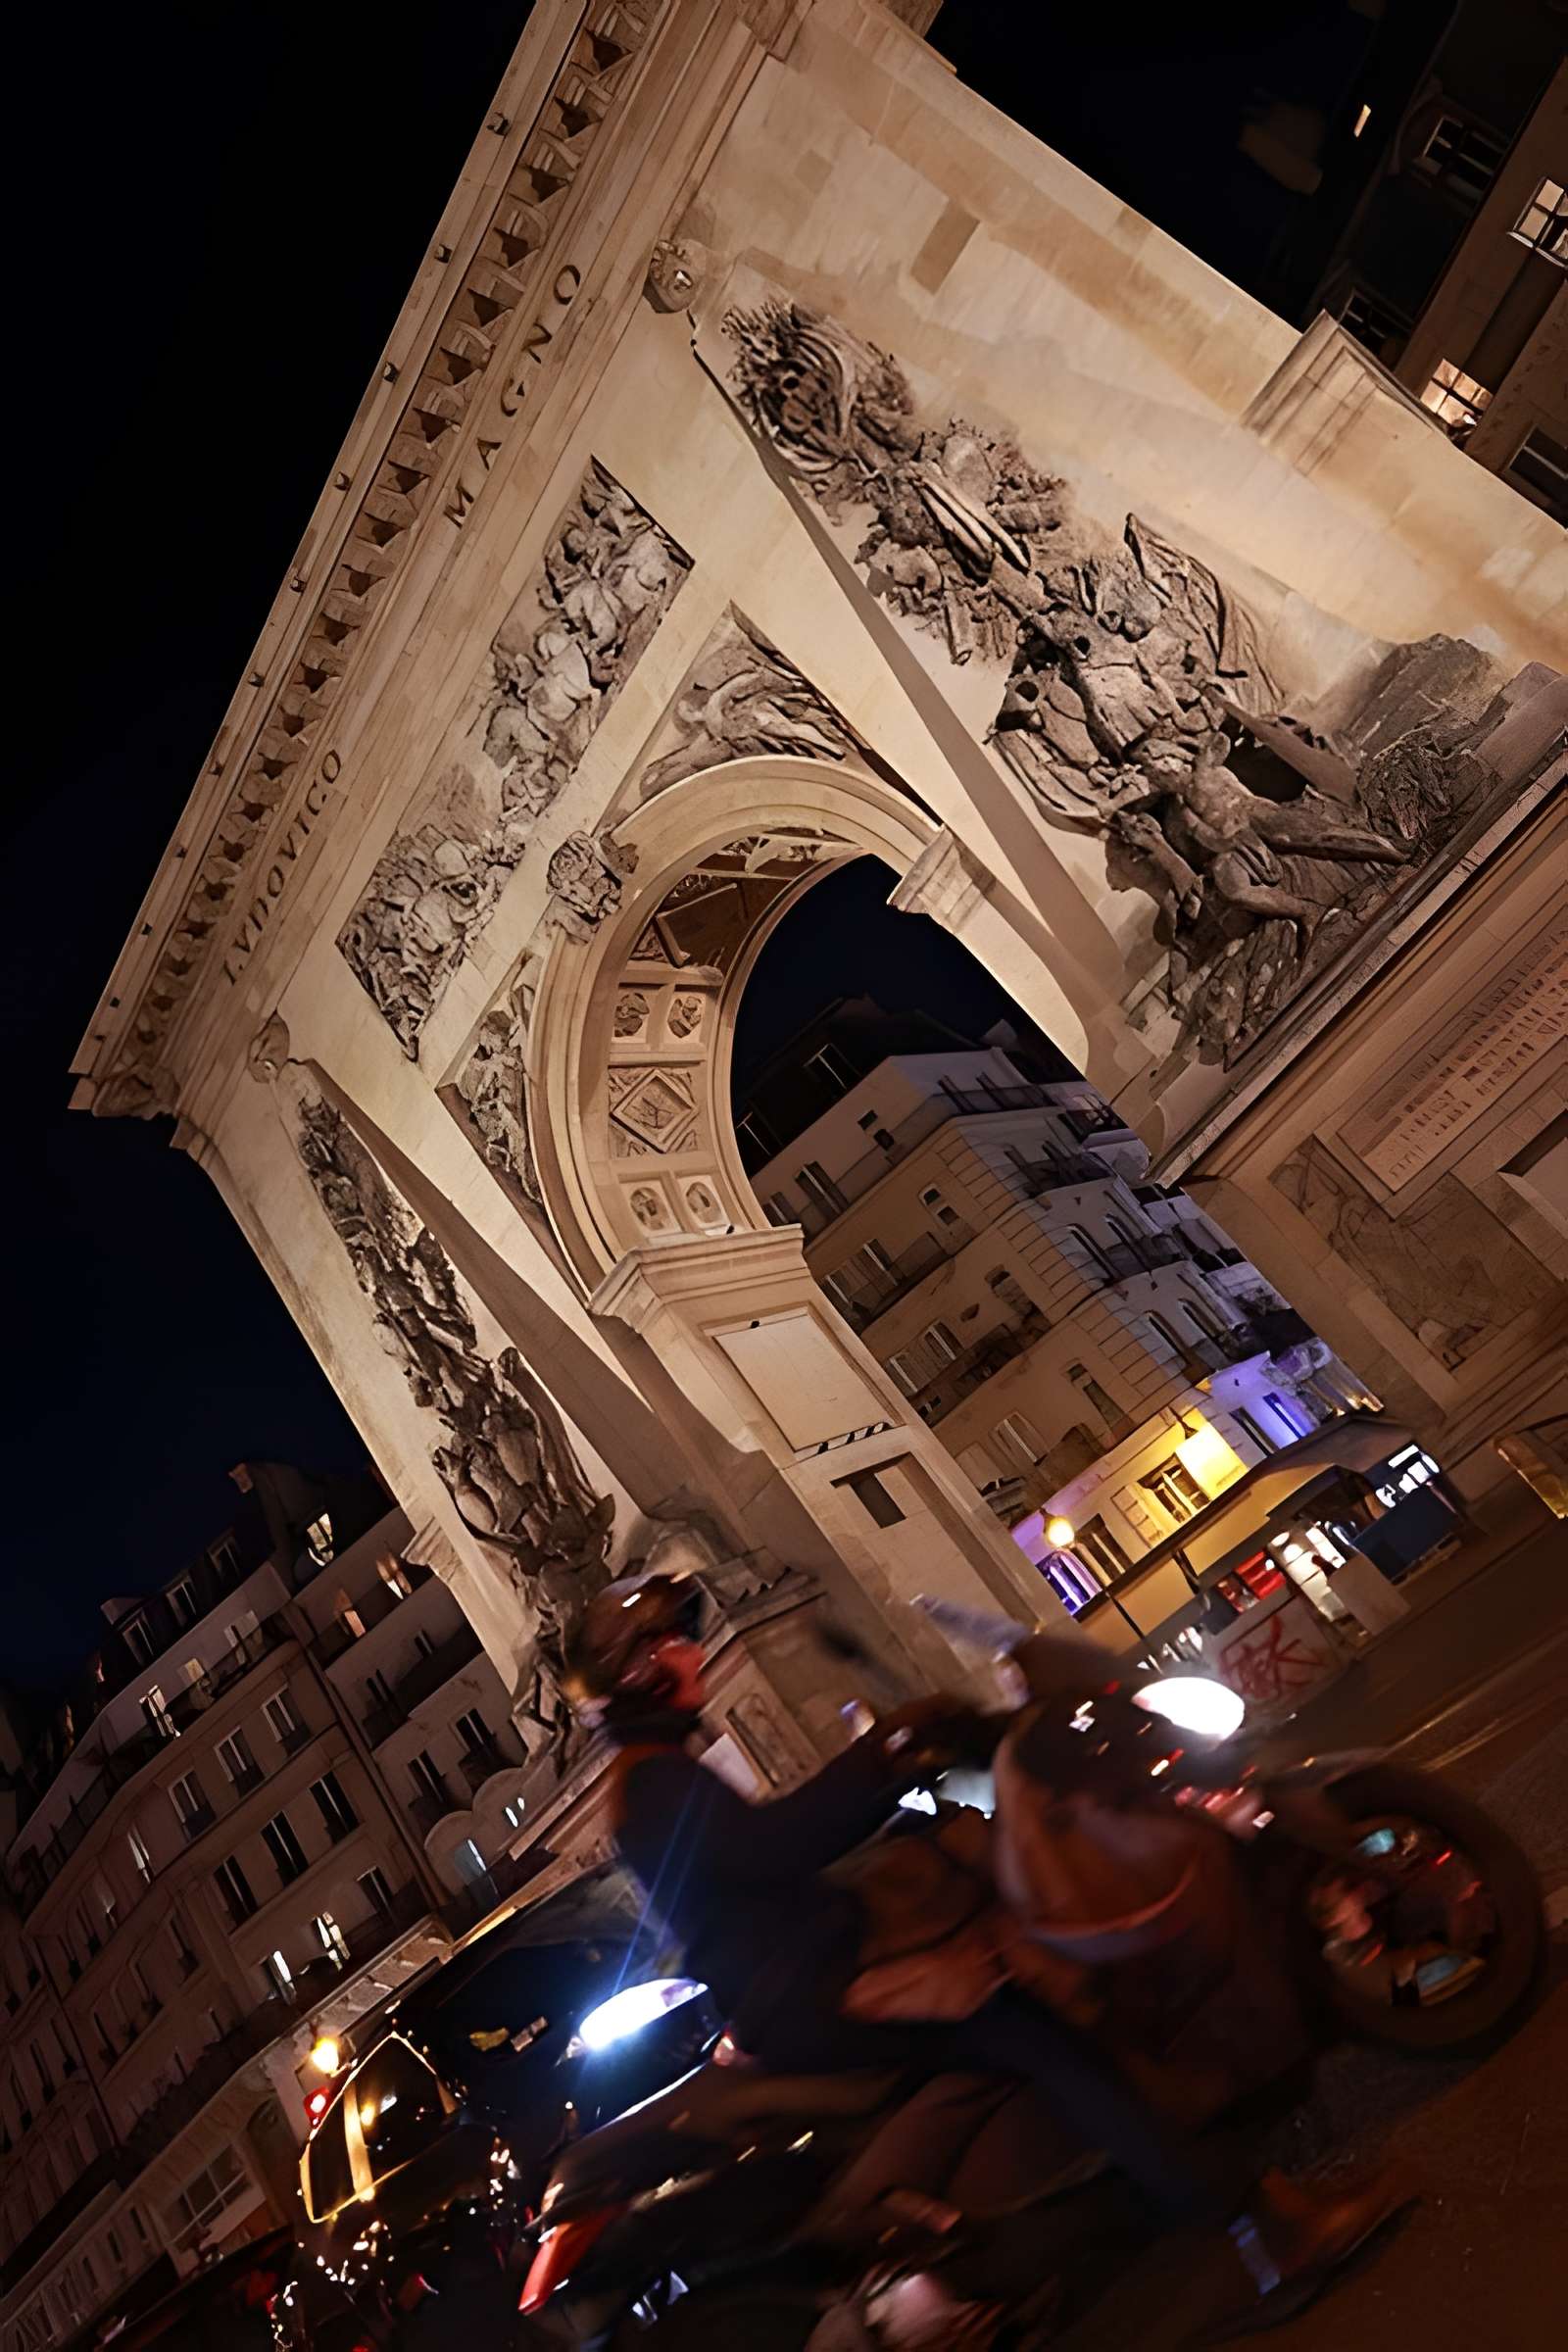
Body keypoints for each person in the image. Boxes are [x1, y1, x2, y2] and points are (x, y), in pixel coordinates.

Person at [566, 1574, 1410, 2329]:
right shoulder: (651, 1782)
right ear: (639, 1669)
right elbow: (777, 1846)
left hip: (809, 1976)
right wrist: (883, 1755)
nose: (689, 1648)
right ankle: (1268, 2231)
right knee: (1045, 2027)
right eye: (669, 1638)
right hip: (819, 1988)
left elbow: (761, 1862)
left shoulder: (655, 1775)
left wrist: (901, 1788)